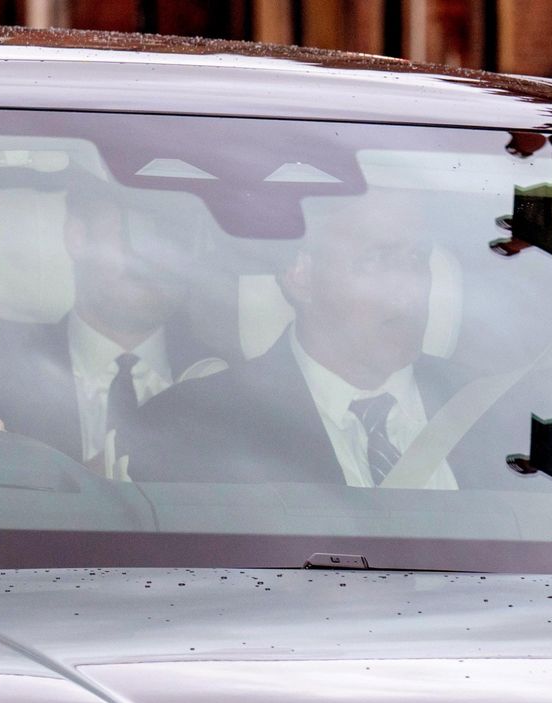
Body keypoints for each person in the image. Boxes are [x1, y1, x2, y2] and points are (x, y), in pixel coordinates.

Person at [130, 190, 493, 488]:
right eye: (376, 260)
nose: (408, 291)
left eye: (417, 257)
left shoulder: (500, 416)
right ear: (301, 276)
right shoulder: (193, 430)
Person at [0, 185, 218, 464]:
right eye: (140, 232)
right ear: (78, 237)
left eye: (176, 237)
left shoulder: (231, 393)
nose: (160, 258)